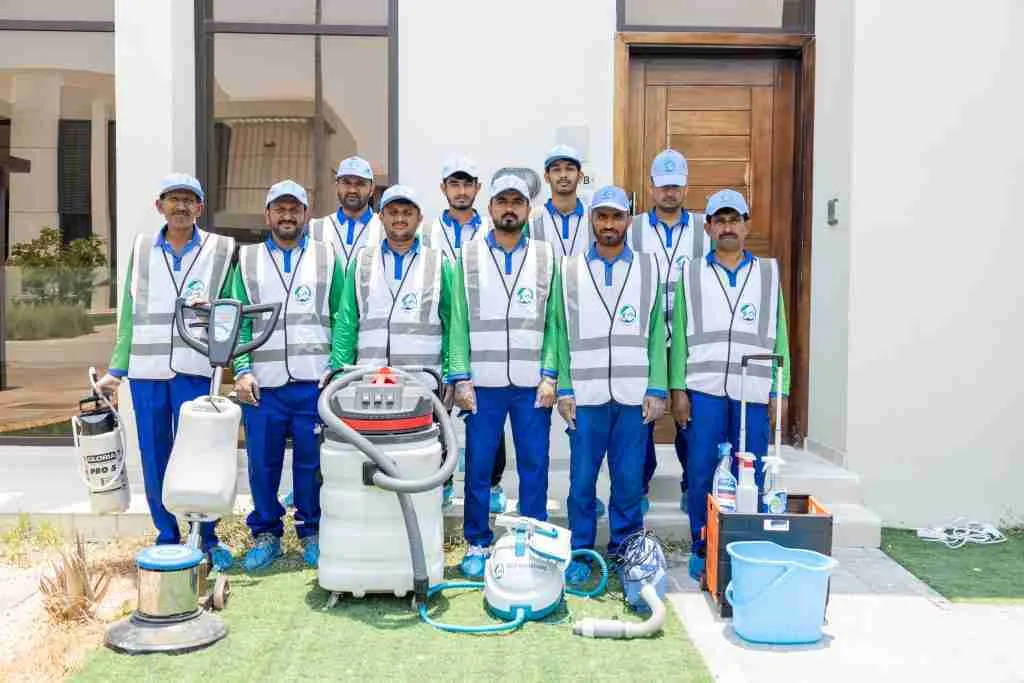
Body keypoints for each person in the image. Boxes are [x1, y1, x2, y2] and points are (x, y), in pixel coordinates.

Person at [95, 173, 235, 570]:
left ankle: (206, 536)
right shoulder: (142, 249)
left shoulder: (220, 249)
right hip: (148, 371)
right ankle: (167, 535)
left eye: (189, 200)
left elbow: (230, 310)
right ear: (160, 206)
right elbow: (129, 314)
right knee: (155, 453)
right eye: (174, 199)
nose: (181, 206)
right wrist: (116, 369)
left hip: (196, 368)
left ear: (200, 208)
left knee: (201, 454)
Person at [669, 189, 790, 581]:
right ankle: (703, 546)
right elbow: (679, 336)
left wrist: (780, 390)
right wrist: (677, 389)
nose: (727, 227)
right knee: (702, 471)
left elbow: (780, 336)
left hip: (752, 392)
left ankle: (745, 546)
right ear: (708, 227)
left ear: (747, 226)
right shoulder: (691, 273)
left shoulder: (768, 274)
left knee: (750, 471)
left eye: (734, 220)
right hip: (704, 390)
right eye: (719, 221)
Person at [227, 180, 345, 571]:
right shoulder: (248, 259)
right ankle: (266, 534)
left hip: (314, 382)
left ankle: (312, 531)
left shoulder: (327, 257)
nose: (288, 215)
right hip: (263, 384)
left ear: (306, 214)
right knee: (262, 464)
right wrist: (242, 370)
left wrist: (337, 365)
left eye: (295, 209)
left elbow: (343, 316)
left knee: (313, 465)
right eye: (280, 209)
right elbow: (237, 321)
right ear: (267, 215)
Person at [448, 174, 560, 578]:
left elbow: (554, 322)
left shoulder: (546, 256)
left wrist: (550, 374)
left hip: (532, 385)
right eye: (502, 202)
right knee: (478, 468)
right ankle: (477, 542)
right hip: (483, 384)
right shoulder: (468, 256)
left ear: (528, 209)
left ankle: (533, 541)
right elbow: (458, 320)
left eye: (517, 202)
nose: (509, 208)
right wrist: (460, 376)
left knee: (535, 465)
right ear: (490, 207)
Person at [554, 185, 667, 585]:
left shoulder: (649, 268)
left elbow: (657, 332)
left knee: (629, 482)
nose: (609, 224)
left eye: (616, 216)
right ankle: (581, 550)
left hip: (634, 395)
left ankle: (626, 550)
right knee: (582, 482)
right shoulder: (569, 269)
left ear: (628, 221)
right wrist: (564, 388)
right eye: (601, 216)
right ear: (591, 220)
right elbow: (560, 332)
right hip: (585, 396)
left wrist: (657, 388)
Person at [421, 156, 507, 513]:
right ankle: (441, 480)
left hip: (482, 328)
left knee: (486, 410)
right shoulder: (427, 231)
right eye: (454, 184)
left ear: (477, 188)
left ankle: (493, 483)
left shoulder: (491, 226)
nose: (460, 190)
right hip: (437, 327)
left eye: (467, 183)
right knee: (438, 409)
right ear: (443, 188)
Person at [631, 149, 711, 513]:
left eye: (675, 185)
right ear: (651, 186)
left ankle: (693, 486)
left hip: (688, 341)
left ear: (686, 186)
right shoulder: (633, 228)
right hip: (644, 341)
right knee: (640, 419)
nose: (669, 192)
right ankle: (639, 486)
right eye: (663, 186)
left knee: (690, 419)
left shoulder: (703, 229)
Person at [336, 185, 454, 388]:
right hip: (369, 382)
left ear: (419, 218)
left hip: (424, 384)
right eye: (393, 212)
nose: (400, 219)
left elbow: (452, 325)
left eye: (407, 213)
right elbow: (346, 323)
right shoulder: (362, 262)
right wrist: (339, 375)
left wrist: (450, 375)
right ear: (381, 217)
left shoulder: (438, 263)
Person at [309, 156, 383, 269]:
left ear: (372, 188)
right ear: (337, 185)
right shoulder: (316, 227)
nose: (352, 190)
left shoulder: (383, 228)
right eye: (346, 183)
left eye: (360, 183)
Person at [530, 144, 590, 258]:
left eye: (569, 169)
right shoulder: (533, 219)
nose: (563, 175)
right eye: (556, 169)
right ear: (547, 177)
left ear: (580, 176)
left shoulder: (593, 217)